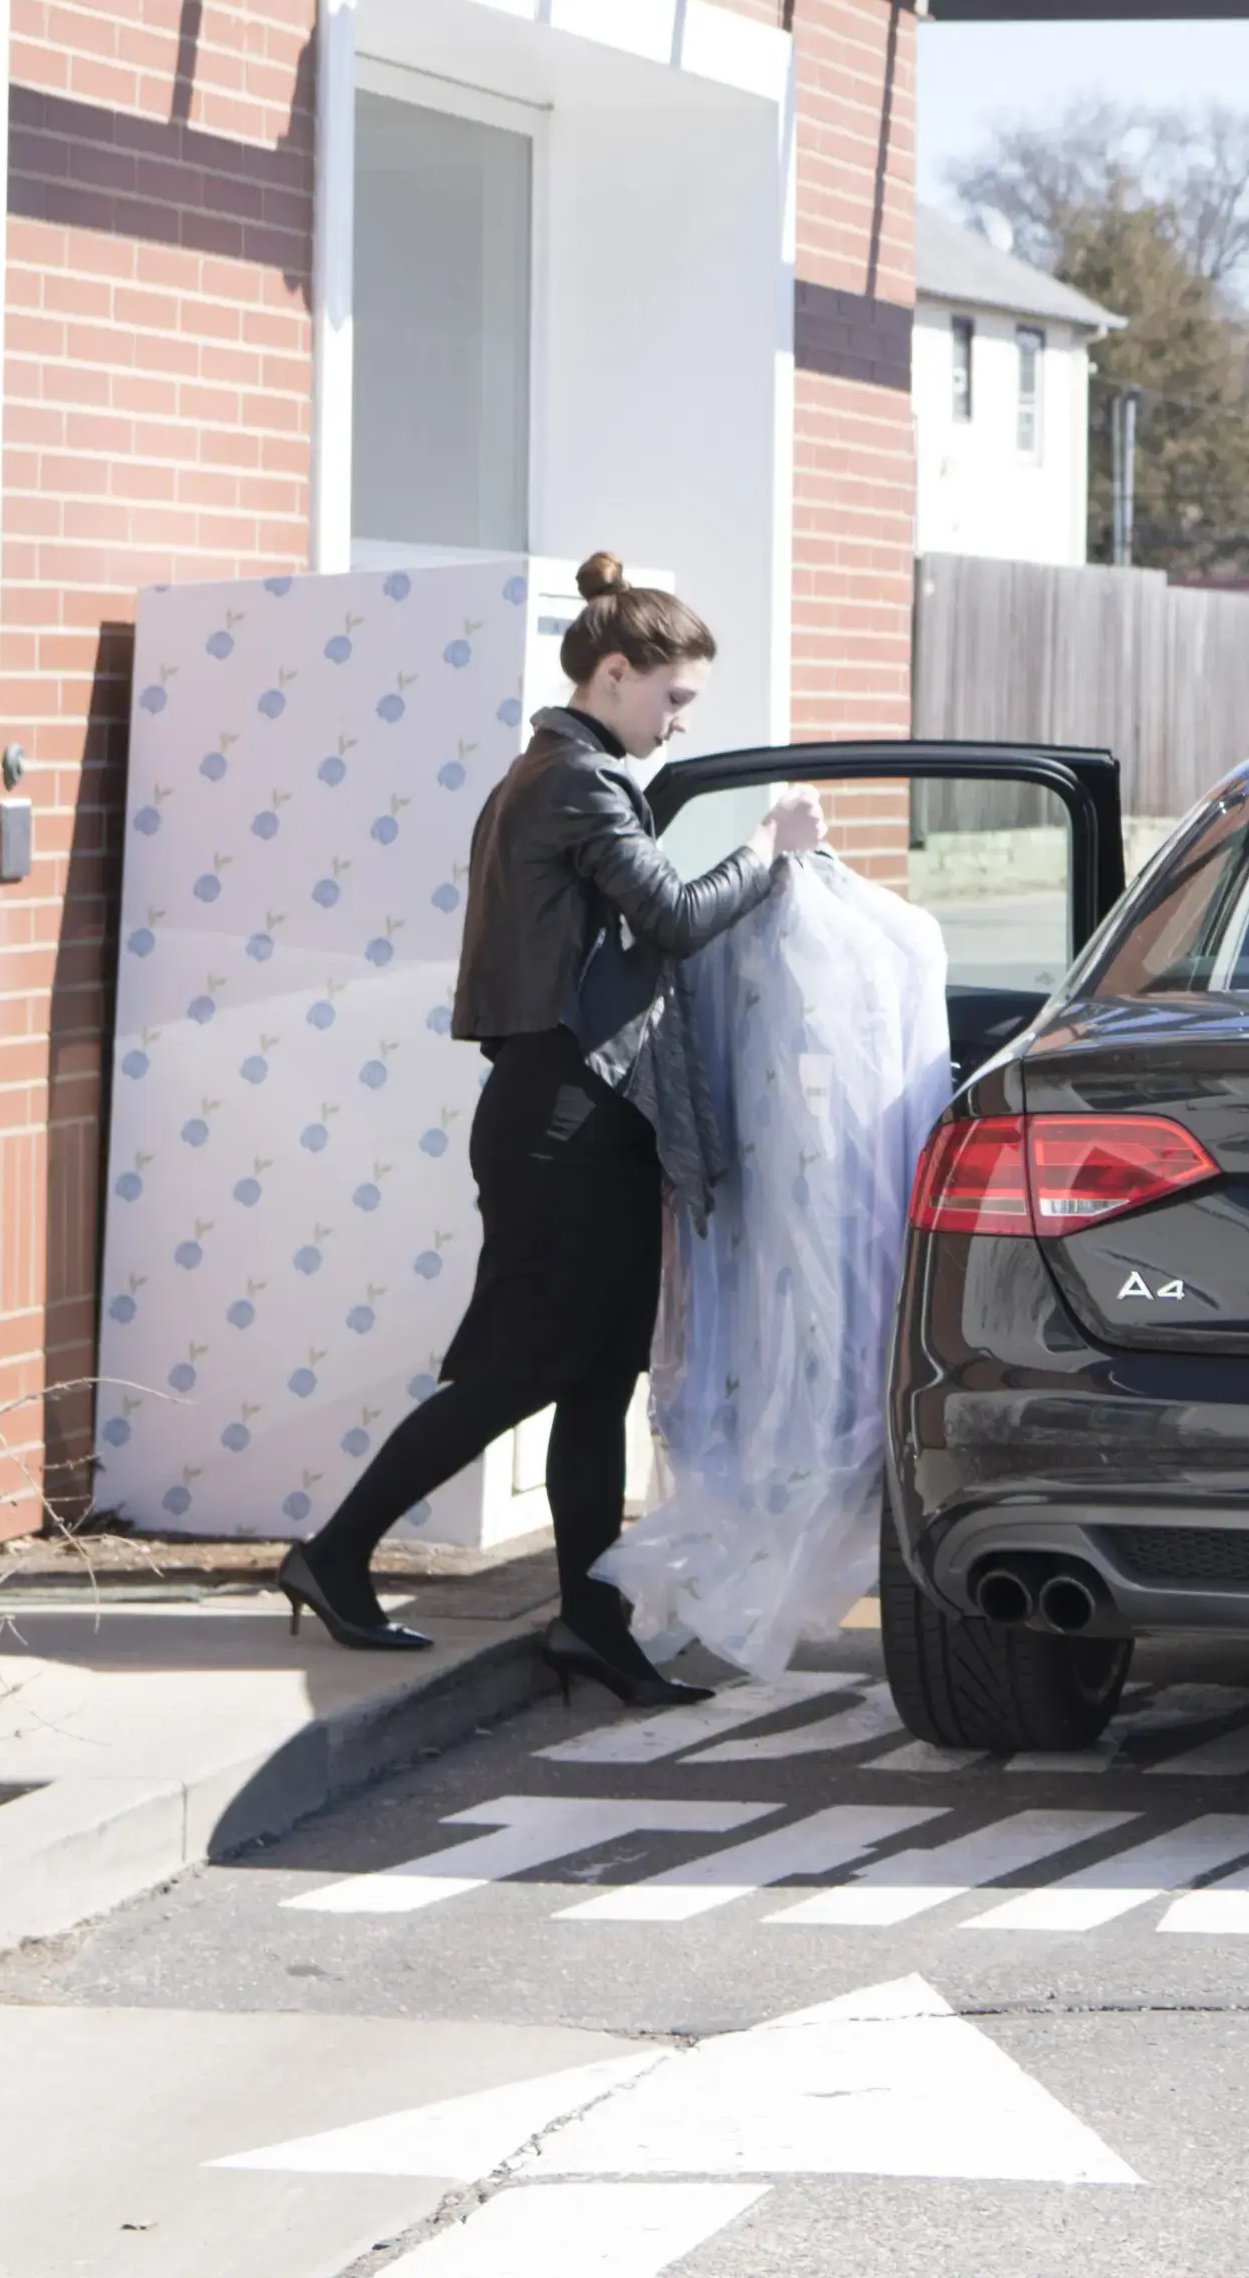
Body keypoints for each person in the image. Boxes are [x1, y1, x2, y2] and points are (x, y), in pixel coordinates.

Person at [274, 552, 824, 1704]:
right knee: (520, 1369)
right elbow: (673, 918)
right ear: (613, 672)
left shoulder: (564, 777)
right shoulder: (574, 782)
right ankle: (335, 1554)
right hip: (560, 1119)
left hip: (587, 1116)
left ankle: (591, 1624)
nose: (678, 722)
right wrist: (768, 850)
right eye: (673, 697)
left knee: (597, 1380)